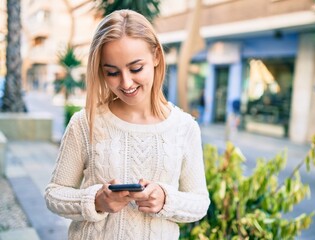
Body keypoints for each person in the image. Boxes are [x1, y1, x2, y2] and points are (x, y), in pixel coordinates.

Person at [44, 9, 210, 240]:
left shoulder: (184, 127)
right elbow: (54, 194)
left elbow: (200, 203)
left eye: (135, 68)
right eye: (112, 72)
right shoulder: (85, 122)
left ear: (156, 57)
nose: (126, 82)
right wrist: (97, 201)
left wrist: (165, 199)